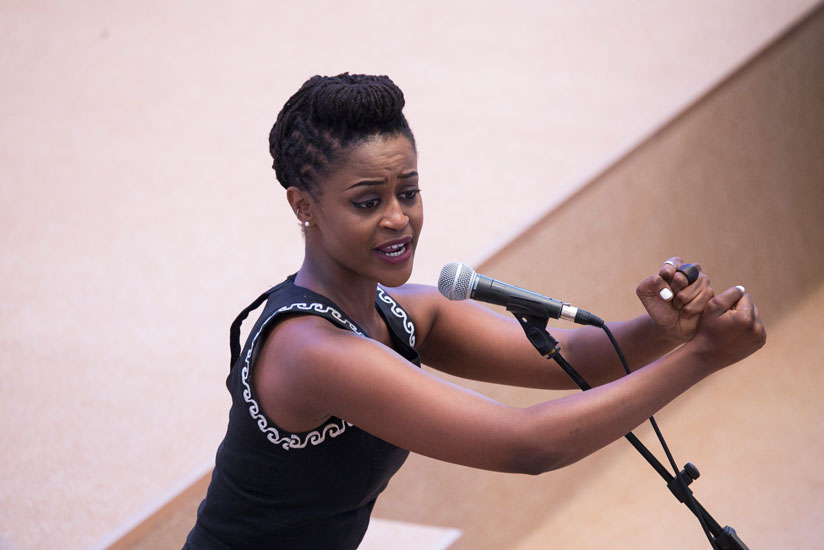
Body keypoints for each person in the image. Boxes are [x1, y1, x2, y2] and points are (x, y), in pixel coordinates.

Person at [184, 73, 765, 549]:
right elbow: (527, 445)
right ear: (303, 205)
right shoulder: (309, 351)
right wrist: (703, 357)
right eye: (368, 202)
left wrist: (663, 331)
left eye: (407, 192)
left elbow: (573, 359)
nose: (397, 218)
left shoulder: (406, 313)